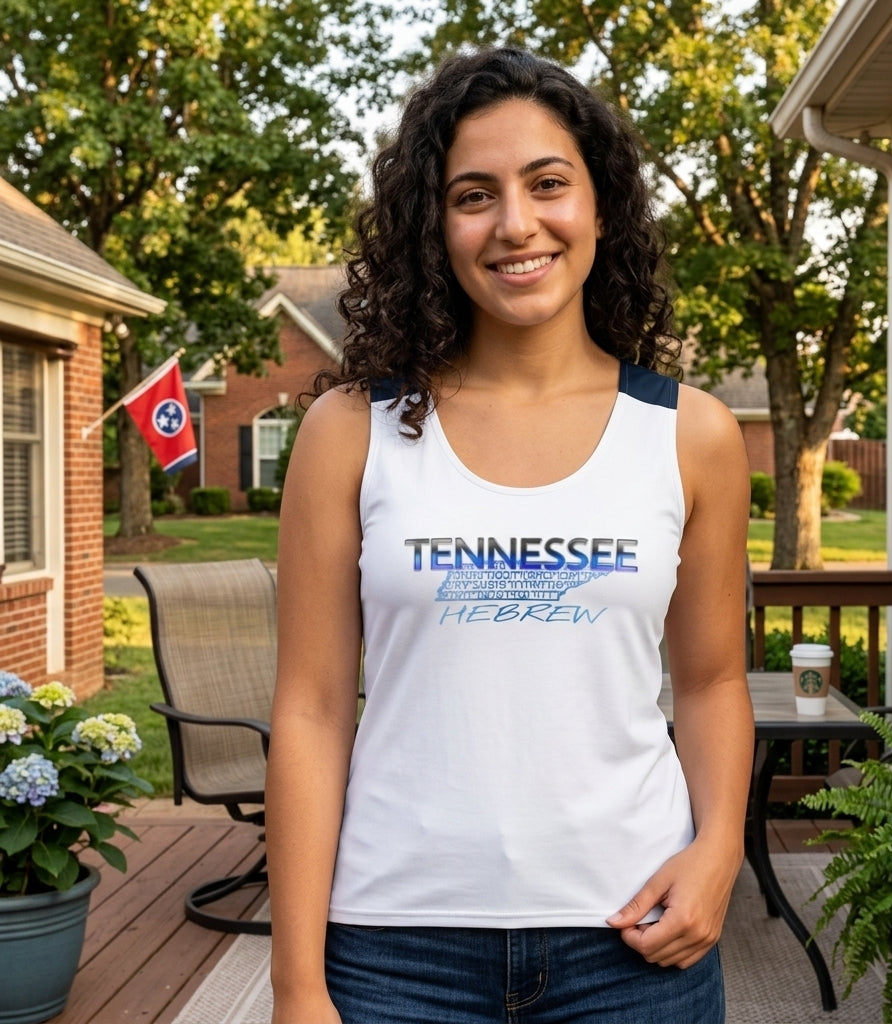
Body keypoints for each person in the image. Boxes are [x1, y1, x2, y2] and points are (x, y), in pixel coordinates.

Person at [266, 46, 754, 1024]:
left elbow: (709, 681)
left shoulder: (689, 432)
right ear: (433, 226)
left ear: (600, 205)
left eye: (547, 184)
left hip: (634, 943)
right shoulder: (351, 430)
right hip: (395, 952)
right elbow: (313, 711)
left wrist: (718, 852)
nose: (515, 224)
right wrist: (297, 983)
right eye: (473, 195)